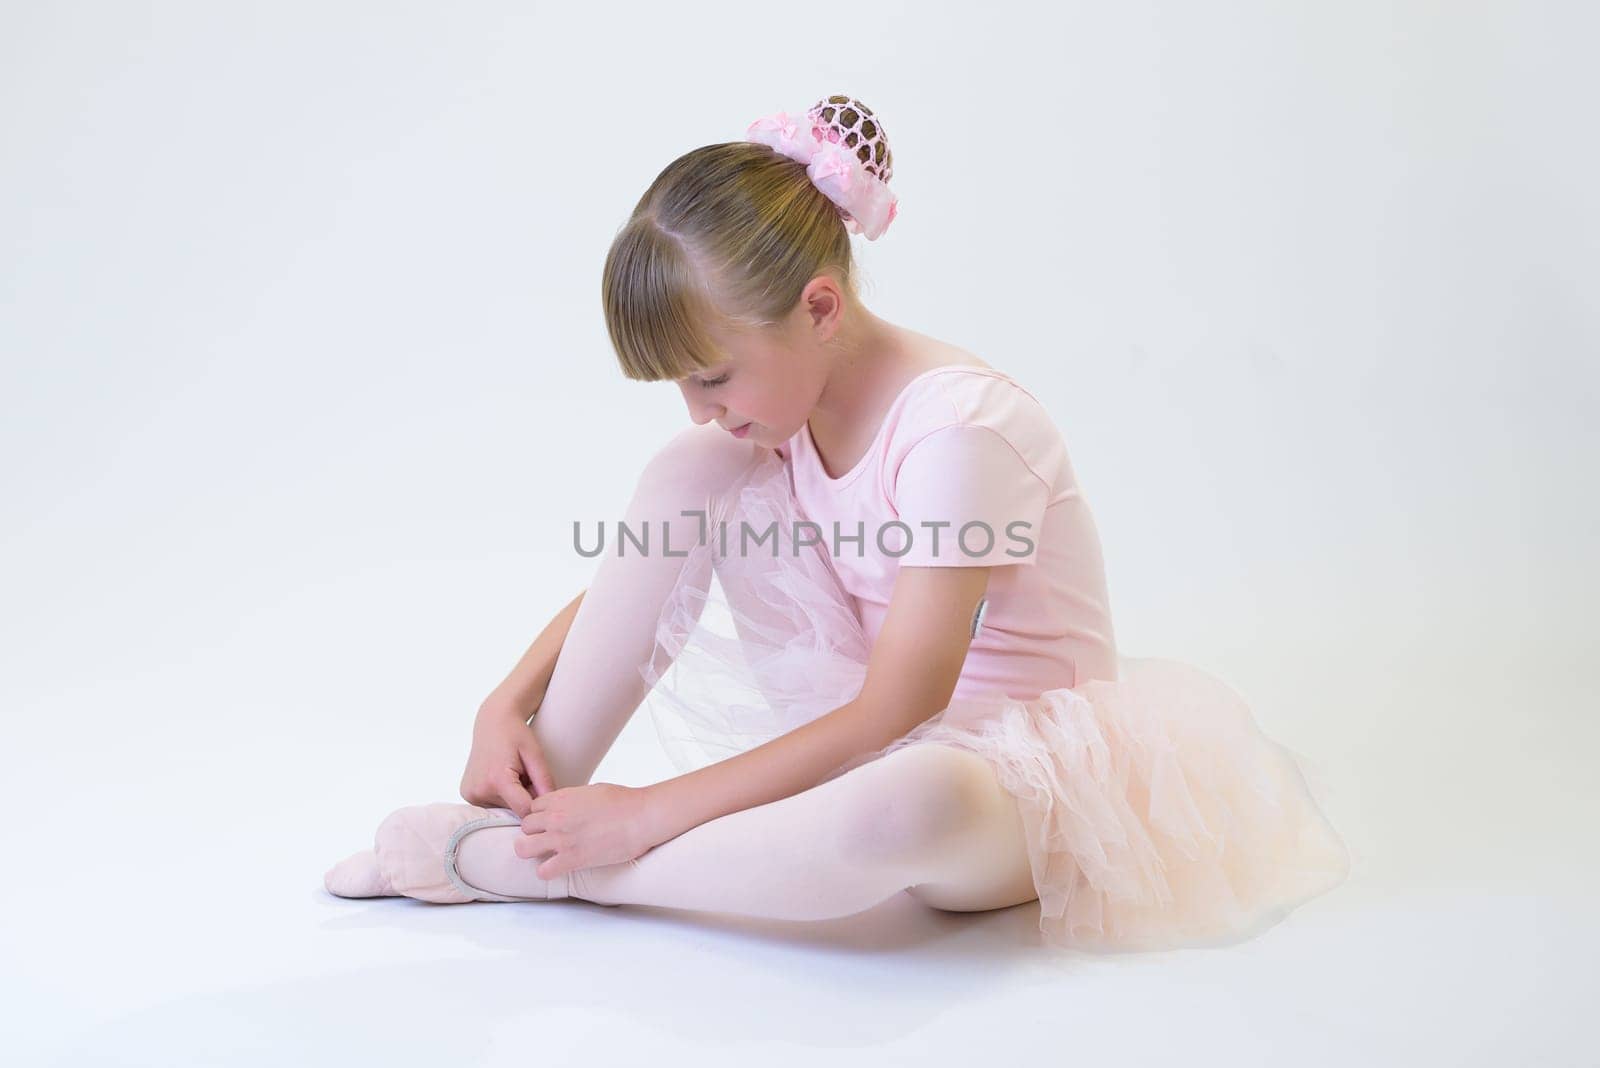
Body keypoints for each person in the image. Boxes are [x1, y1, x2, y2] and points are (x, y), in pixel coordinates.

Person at [324, 94, 1350, 952]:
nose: (701, 404)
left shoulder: (960, 429)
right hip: (857, 726)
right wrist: (506, 701)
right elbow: (644, 582)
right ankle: (532, 810)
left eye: (713, 375)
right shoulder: (776, 414)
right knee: (691, 473)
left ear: (820, 308)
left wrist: (649, 817)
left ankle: (544, 871)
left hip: (996, 778)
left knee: (904, 806)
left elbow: (901, 706)